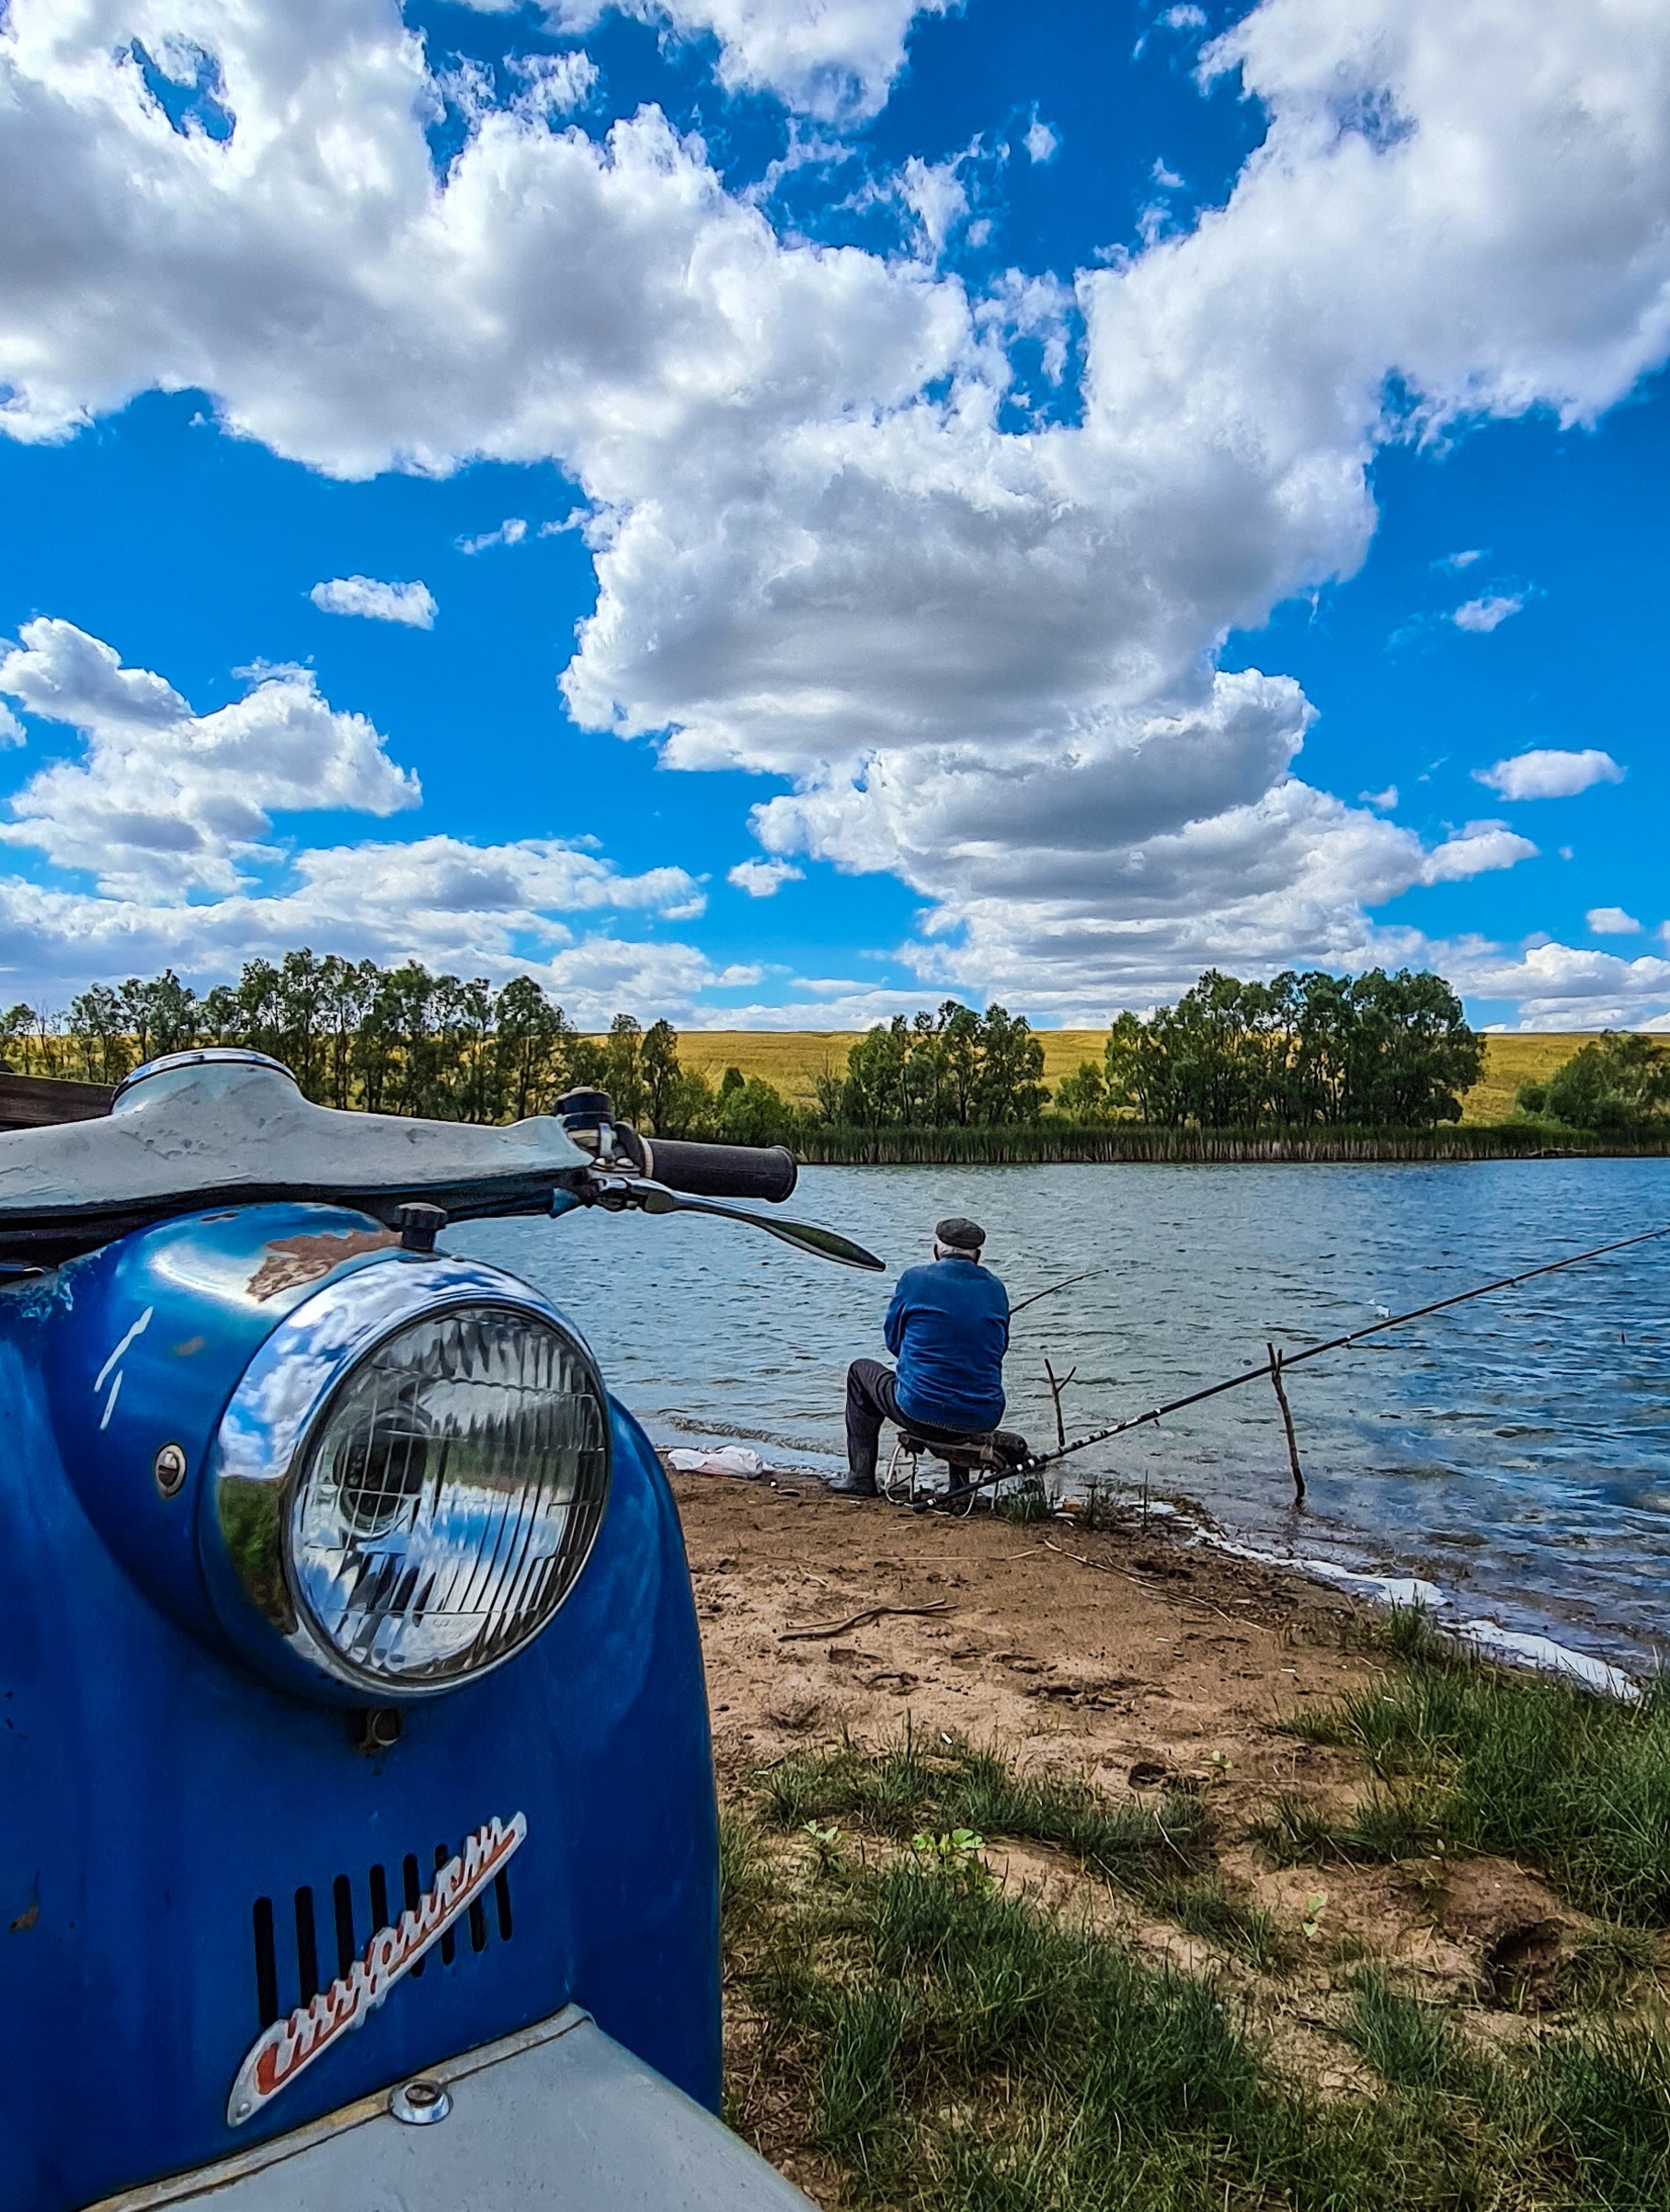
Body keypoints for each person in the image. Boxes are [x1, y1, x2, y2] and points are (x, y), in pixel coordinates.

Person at [829, 1215, 1010, 1497]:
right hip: (984, 1416)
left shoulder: (914, 1280)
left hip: (919, 1412)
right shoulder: (997, 1289)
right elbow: (998, 1350)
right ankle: (959, 1486)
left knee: (859, 1373)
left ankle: (860, 1476)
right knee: (964, 1374)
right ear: (978, 1256)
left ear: (936, 1251)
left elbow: (894, 1342)